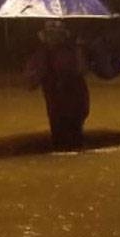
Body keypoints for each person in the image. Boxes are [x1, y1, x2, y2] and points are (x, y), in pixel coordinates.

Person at [26, 20, 90, 151]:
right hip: (56, 103)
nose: (53, 37)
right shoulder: (41, 54)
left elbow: (81, 71)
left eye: (56, 34)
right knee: (60, 135)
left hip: (74, 101)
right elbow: (31, 81)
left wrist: (79, 50)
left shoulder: (73, 50)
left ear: (63, 36)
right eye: (50, 34)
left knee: (74, 134)